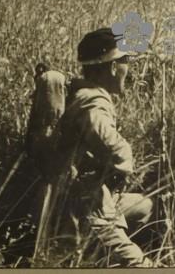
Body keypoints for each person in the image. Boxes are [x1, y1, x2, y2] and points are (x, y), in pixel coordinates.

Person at [48, 27, 153, 267]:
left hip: (92, 198)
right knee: (142, 267)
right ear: (114, 66)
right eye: (125, 60)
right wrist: (123, 163)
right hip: (88, 212)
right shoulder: (93, 101)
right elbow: (115, 150)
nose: (128, 67)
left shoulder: (81, 92)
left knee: (147, 206)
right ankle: (103, 252)